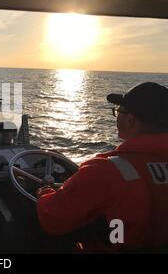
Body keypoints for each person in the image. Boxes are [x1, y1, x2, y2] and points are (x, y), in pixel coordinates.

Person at [36, 82, 168, 253]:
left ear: (130, 120)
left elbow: (53, 218)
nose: (116, 115)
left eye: (118, 111)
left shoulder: (108, 171)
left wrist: (44, 191)